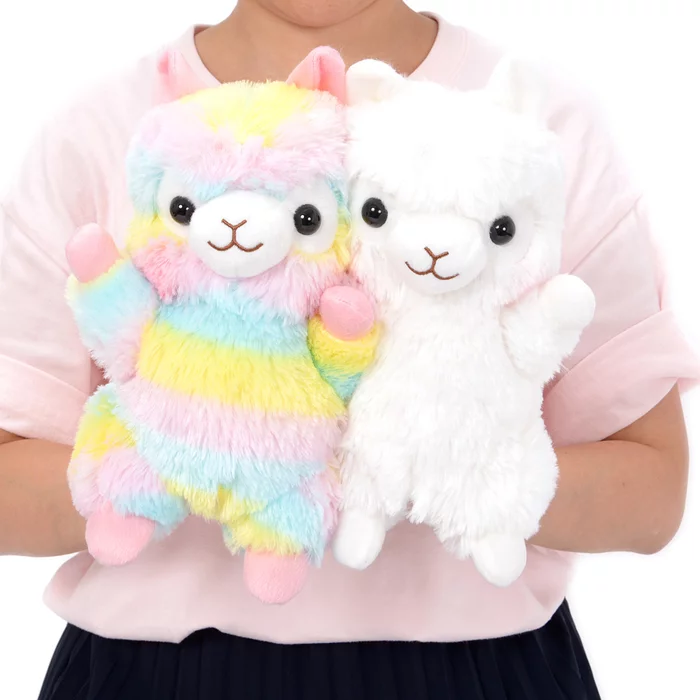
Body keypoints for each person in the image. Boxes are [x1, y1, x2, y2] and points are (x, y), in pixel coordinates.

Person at [0, 1, 696, 698]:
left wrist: (464, 471)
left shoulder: (534, 124)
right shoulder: (102, 131)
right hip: (156, 671)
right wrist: (181, 451)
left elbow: (651, 491)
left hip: (479, 670)